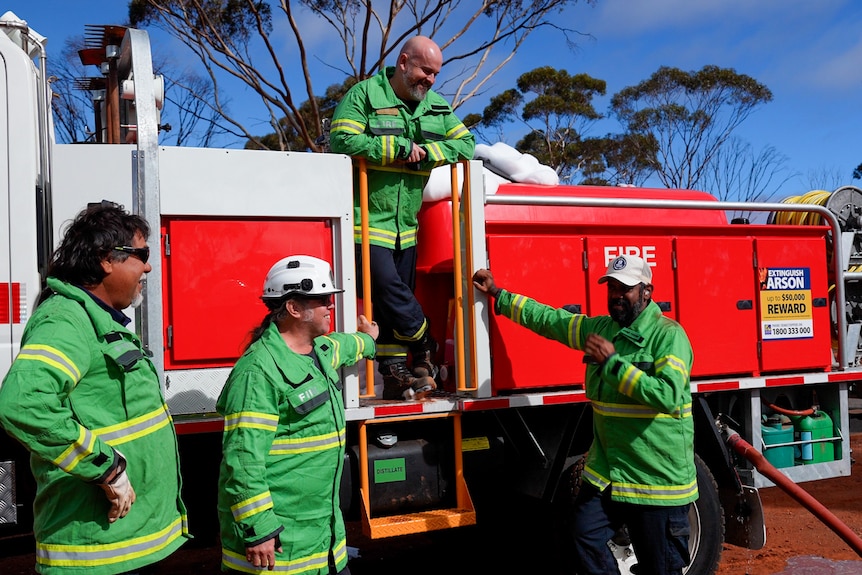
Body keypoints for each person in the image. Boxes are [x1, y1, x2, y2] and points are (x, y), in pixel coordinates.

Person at [472, 254, 697, 575]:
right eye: (612, 288)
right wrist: (499, 295)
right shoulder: (601, 329)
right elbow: (551, 321)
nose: (617, 295)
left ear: (647, 292)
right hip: (610, 475)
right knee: (582, 534)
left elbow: (668, 396)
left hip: (655, 482)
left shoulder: (668, 336)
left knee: (660, 569)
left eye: (626, 289)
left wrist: (614, 364)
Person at [0, 201, 188, 575]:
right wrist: (106, 468)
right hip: (97, 553)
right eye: (141, 255)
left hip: (124, 543)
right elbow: (23, 403)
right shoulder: (65, 319)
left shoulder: (95, 318)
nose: (148, 266)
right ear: (106, 259)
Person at [329, 35, 475, 400]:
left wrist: (427, 151)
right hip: (366, 221)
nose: (430, 80)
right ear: (404, 62)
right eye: (426, 71)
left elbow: (467, 145)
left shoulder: (438, 107)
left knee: (392, 303)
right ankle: (425, 341)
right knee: (391, 292)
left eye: (436, 74)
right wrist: (392, 148)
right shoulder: (364, 95)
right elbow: (342, 139)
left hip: (408, 228)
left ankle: (395, 376)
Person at [217, 255, 378, 573]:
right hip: (280, 553)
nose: (330, 307)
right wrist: (259, 529)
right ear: (293, 308)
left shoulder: (318, 351)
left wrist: (369, 338)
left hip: (322, 546)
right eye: (323, 300)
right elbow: (243, 461)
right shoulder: (258, 372)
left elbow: (346, 345)